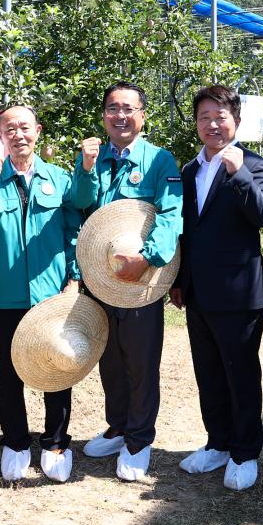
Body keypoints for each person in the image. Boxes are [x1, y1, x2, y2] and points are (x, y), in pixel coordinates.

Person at [0, 104, 82, 483]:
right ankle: (15, 441)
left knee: (58, 367)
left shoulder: (59, 179)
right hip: (5, 296)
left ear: (38, 131)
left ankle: (55, 442)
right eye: (9, 128)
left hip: (50, 296)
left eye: (24, 127)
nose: (18, 134)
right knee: (9, 374)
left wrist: (74, 278)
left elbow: (73, 234)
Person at [71, 81, 182, 481]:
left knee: (141, 361)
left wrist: (148, 258)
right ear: (104, 116)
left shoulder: (160, 161)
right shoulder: (94, 158)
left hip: (142, 279)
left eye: (128, 109)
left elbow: (171, 216)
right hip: (101, 278)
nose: (120, 116)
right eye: (113, 109)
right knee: (110, 358)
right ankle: (117, 426)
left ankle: (139, 439)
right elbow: (79, 204)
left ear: (142, 116)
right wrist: (85, 168)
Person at [170, 84, 263, 491]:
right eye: (204, 117)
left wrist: (240, 173)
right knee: (209, 372)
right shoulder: (190, 169)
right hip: (198, 292)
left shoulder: (253, 164)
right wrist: (181, 282)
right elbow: (187, 232)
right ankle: (217, 442)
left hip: (238, 292)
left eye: (220, 116)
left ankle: (246, 451)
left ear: (236, 120)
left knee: (241, 374)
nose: (212, 124)